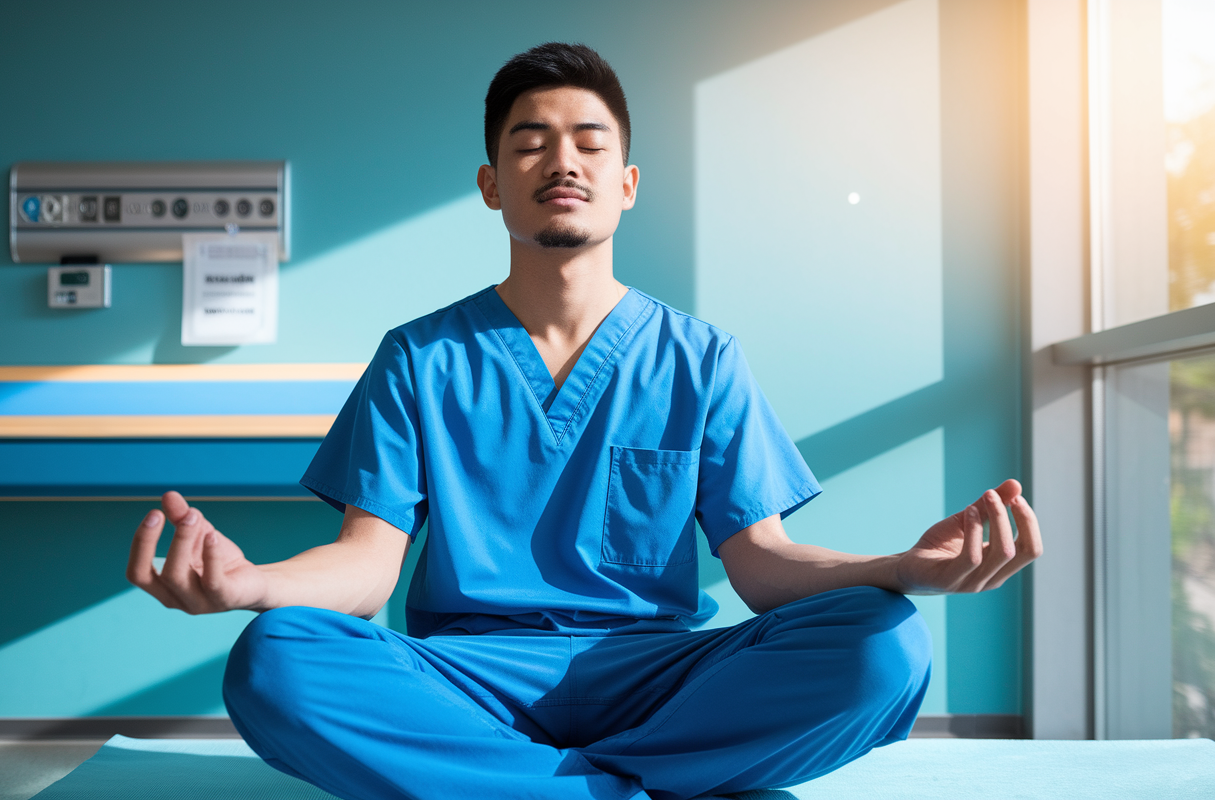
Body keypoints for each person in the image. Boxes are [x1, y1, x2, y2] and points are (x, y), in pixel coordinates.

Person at [126, 42, 1042, 800]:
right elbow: (369, 568)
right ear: (491, 184)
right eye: (530, 142)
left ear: (628, 182)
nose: (562, 160)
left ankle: (523, 790)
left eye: (589, 143)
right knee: (277, 659)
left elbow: (760, 566)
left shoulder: (700, 358)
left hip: (658, 679)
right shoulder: (419, 357)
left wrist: (902, 569)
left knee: (882, 645)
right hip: (467, 679)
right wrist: (253, 585)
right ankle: (620, 789)